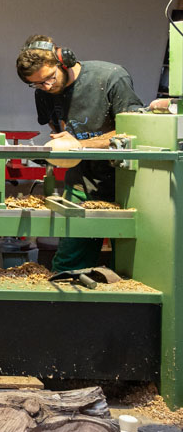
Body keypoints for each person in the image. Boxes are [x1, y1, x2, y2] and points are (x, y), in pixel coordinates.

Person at [15, 35, 143, 272]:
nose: (47, 87)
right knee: (69, 262)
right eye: (37, 84)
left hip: (125, 181)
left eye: (49, 79)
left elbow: (133, 132)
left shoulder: (111, 77)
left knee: (130, 262)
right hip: (82, 182)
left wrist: (82, 146)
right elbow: (60, 130)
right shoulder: (43, 93)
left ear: (64, 62)